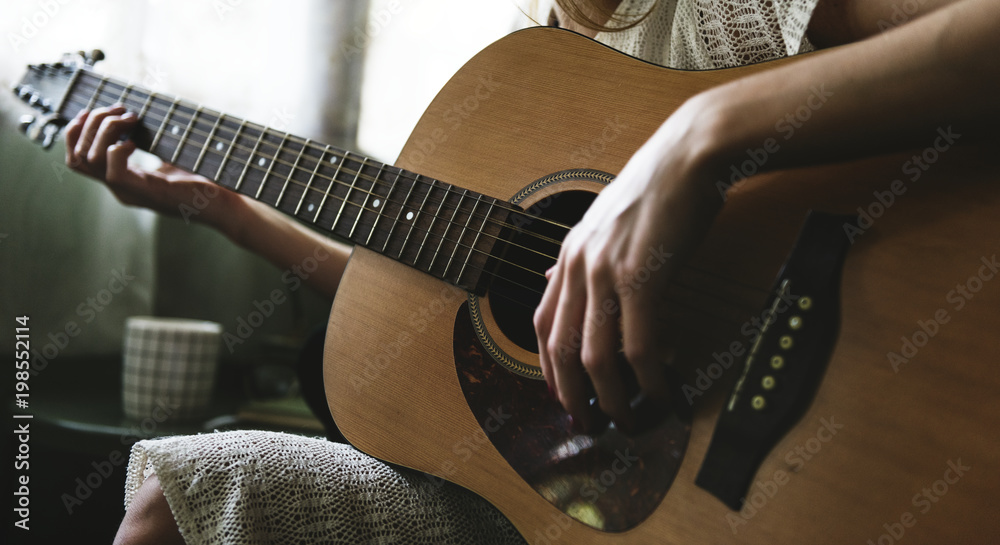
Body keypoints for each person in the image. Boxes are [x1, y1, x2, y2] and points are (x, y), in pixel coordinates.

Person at [64, 0, 999, 543]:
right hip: (575, 497)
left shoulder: (732, 10)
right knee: (174, 504)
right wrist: (218, 207)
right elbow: (417, 309)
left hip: (818, 465)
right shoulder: (522, 70)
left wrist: (697, 140)